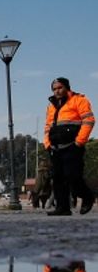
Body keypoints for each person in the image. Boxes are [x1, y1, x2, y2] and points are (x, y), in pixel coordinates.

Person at [44, 77, 95, 216]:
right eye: (54, 89)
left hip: (72, 146)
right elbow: (48, 126)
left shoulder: (79, 100)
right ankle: (62, 207)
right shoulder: (51, 106)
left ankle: (87, 196)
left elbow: (89, 120)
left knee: (73, 175)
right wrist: (47, 144)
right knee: (58, 178)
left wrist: (79, 142)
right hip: (55, 147)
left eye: (60, 88)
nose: (57, 91)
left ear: (67, 87)